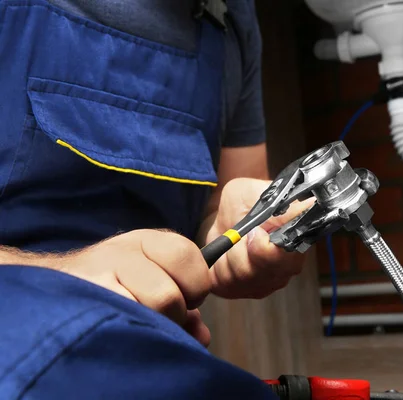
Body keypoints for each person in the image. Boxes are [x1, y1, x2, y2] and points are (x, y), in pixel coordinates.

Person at [0, 0, 306, 398]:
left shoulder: (232, 15)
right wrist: (61, 276)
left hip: (148, 356)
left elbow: (222, 205)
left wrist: (231, 232)